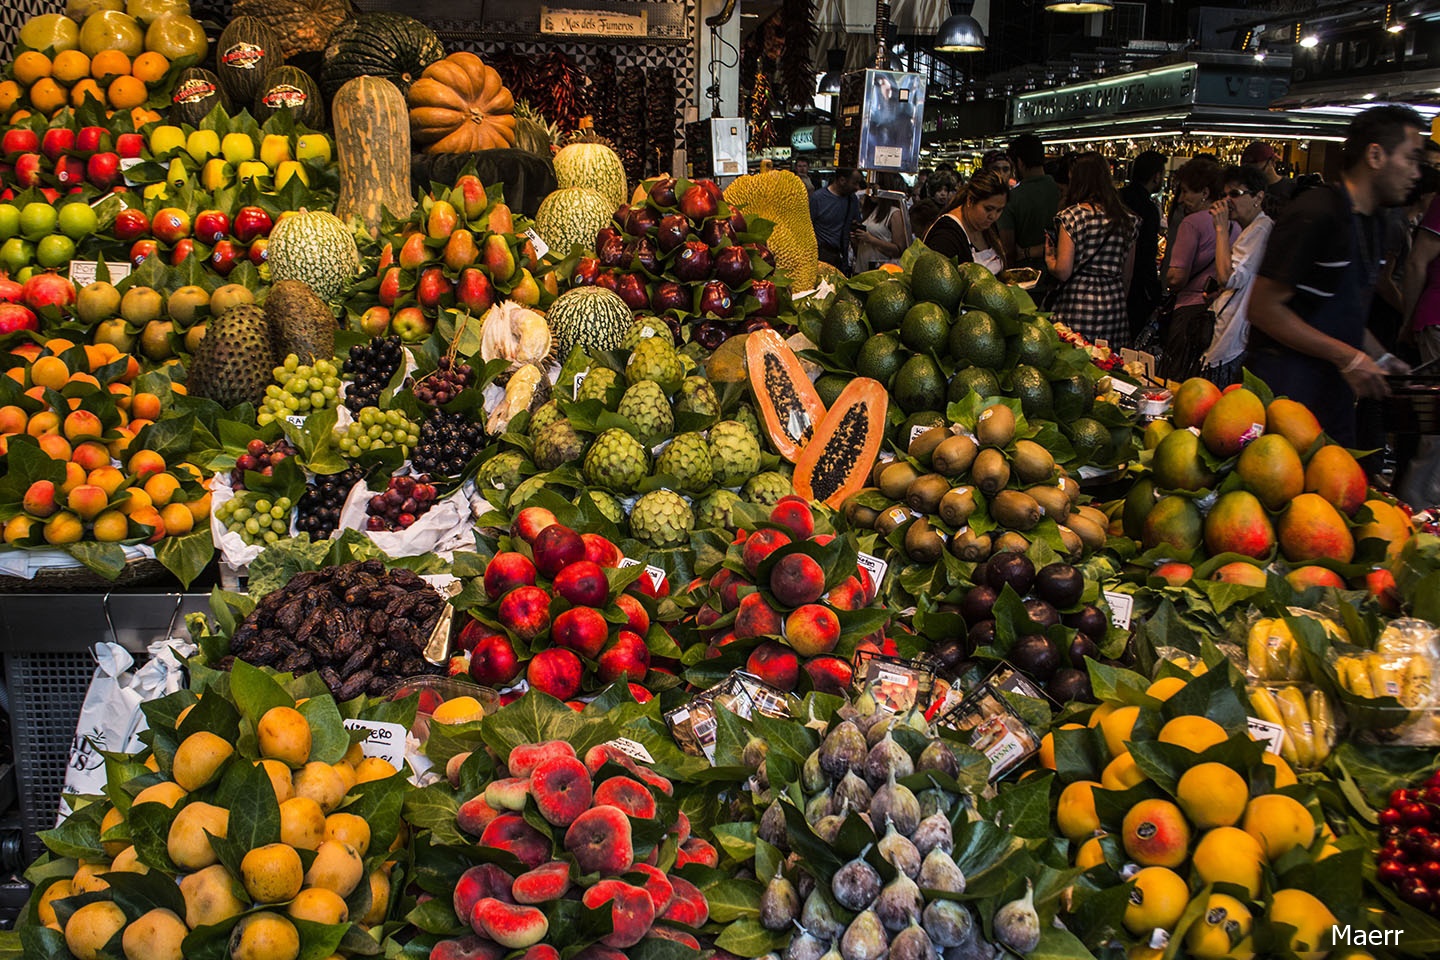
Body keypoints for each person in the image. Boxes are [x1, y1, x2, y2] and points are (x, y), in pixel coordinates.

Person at [1248, 104, 1422, 448]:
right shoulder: (1316, 213)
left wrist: (1378, 356)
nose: (1417, 174)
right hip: (1287, 396)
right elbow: (1263, 309)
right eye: (1411, 159)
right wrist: (1348, 356)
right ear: (1375, 155)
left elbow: (1340, 312)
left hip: (1332, 396)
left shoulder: (1374, 221)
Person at [1044, 152, 1139, 346]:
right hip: (1113, 302)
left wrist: (1050, 261)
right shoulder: (1128, 220)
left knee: (1076, 358)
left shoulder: (1072, 216)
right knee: (1109, 364)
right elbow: (1127, 275)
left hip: (1076, 301)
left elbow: (1063, 271)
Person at [1199, 165, 1275, 386]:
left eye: (1235, 194)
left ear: (1258, 197)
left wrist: (1221, 229)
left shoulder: (1259, 230)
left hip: (1232, 339)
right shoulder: (1251, 229)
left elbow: (1227, 277)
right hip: (1230, 331)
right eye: (1224, 195)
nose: (1227, 201)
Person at [1163, 158, 1236, 380]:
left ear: (1205, 192)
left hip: (1189, 312)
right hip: (1219, 314)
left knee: (1176, 376)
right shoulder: (1235, 224)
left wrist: (1167, 279)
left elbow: (1176, 277)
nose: (1182, 199)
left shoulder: (1192, 223)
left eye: (1186, 192)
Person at [923, 169, 1009, 273]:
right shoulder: (945, 235)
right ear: (970, 200)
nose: (993, 216)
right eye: (988, 209)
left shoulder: (988, 226)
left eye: (999, 210)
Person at [1121, 150, 1166, 338]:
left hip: (1114, 279)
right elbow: (1147, 252)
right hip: (1137, 285)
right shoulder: (1148, 208)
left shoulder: (1117, 197)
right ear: (1156, 176)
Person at [999, 134, 1060, 272]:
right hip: (1058, 274)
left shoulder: (1011, 198)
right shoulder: (1061, 191)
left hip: (1024, 277)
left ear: (1019, 163)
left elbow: (1007, 249)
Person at [810, 168, 865, 273]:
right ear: (842, 180)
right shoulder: (818, 199)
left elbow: (855, 223)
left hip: (842, 258)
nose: (857, 187)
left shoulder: (852, 199)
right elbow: (807, 227)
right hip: (820, 256)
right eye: (854, 183)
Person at [852, 174, 910, 271]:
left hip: (882, 269)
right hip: (863, 267)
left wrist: (871, 239)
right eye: (869, 186)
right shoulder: (870, 212)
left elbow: (899, 250)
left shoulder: (894, 213)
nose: (870, 190)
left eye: (873, 186)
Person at [1242, 141, 1296, 216]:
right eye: (1249, 166)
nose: (1253, 170)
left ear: (1272, 161)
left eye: (1256, 165)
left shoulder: (1292, 188)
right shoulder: (1248, 189)